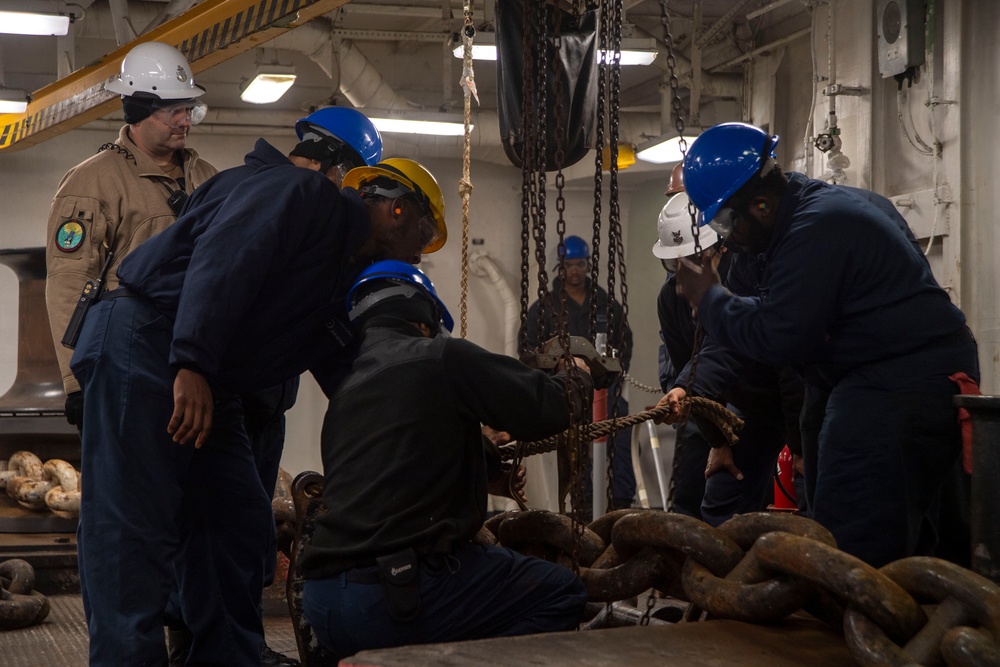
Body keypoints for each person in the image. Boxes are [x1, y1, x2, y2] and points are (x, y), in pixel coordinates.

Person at [68, 152, 447, 665]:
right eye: (424, 238)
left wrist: (440, 427)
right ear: (399, 211)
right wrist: (193, 363)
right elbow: (224, 257)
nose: (419, 257)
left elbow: (357, 379)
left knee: (237, 520)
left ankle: (228, 658)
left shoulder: (343, 282)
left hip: (209, 377)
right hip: (147, 343)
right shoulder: (304, 197)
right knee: (131, 527)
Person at [671, 121, 979, 567]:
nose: (725, 235)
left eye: (724, 219)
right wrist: (694, 386)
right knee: (842, 506)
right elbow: (747, 341)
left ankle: (863, 613)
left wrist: (710, 299)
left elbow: (780, 336)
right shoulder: (784, 231)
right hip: (855, 372)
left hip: (903, 375)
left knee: (857, 527)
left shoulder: (818, 228)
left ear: (757, 205)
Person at [165, 106, 385, 667]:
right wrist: (192, 361)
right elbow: (222, 270)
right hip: (216, 386)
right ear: (334, 164)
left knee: (237, 529)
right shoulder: (279, 192)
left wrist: (379, 408)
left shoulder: (290, 199)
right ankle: (217, 649)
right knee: (225, 525)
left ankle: (222, 646)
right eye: (351, 182)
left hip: (261, 395)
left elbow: (310, 324)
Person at [301, 260, 592, 660]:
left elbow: (401, 453)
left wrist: (482, 462)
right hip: (393, 598)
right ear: (424, 318)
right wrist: (577, 374)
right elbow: (546, 407)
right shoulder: (441, 356)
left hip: (324, 604)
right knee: (560, 592)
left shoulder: (347, 392)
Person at [45, 41, 216, 431]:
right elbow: (70, 283)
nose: (185, 121)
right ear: (139, 110)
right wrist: (75, 382)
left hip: (196, 362)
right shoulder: (93, 181)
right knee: (131, 484)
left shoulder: (209, 178)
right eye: (175, 111)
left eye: (189, 109)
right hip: (127, 360)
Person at [654, 185, 801, 525]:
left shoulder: (750, 276)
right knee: (719, 494)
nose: (685, 271)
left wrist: (800, 446)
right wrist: (718, 440)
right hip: (745, 408)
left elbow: (786, 366)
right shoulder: (671, 299)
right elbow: (694, 382)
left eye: (693, 259)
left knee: (811, 496)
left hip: (793, 396)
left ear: (718, 247)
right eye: (676, 262)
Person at [520, 235, 635, 517]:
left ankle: (621, 506)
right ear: (561, 268)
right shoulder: (544, 308)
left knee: (620, 439)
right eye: (569, 265)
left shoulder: (606, 303)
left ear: (587, 266)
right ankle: (581, 512)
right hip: (566, 396)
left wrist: (607, 375)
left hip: (604, 393)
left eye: (580, 264)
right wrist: (558, 366)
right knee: (577, 452)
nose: (575, 270)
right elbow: (527, 350)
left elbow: (625, 343)